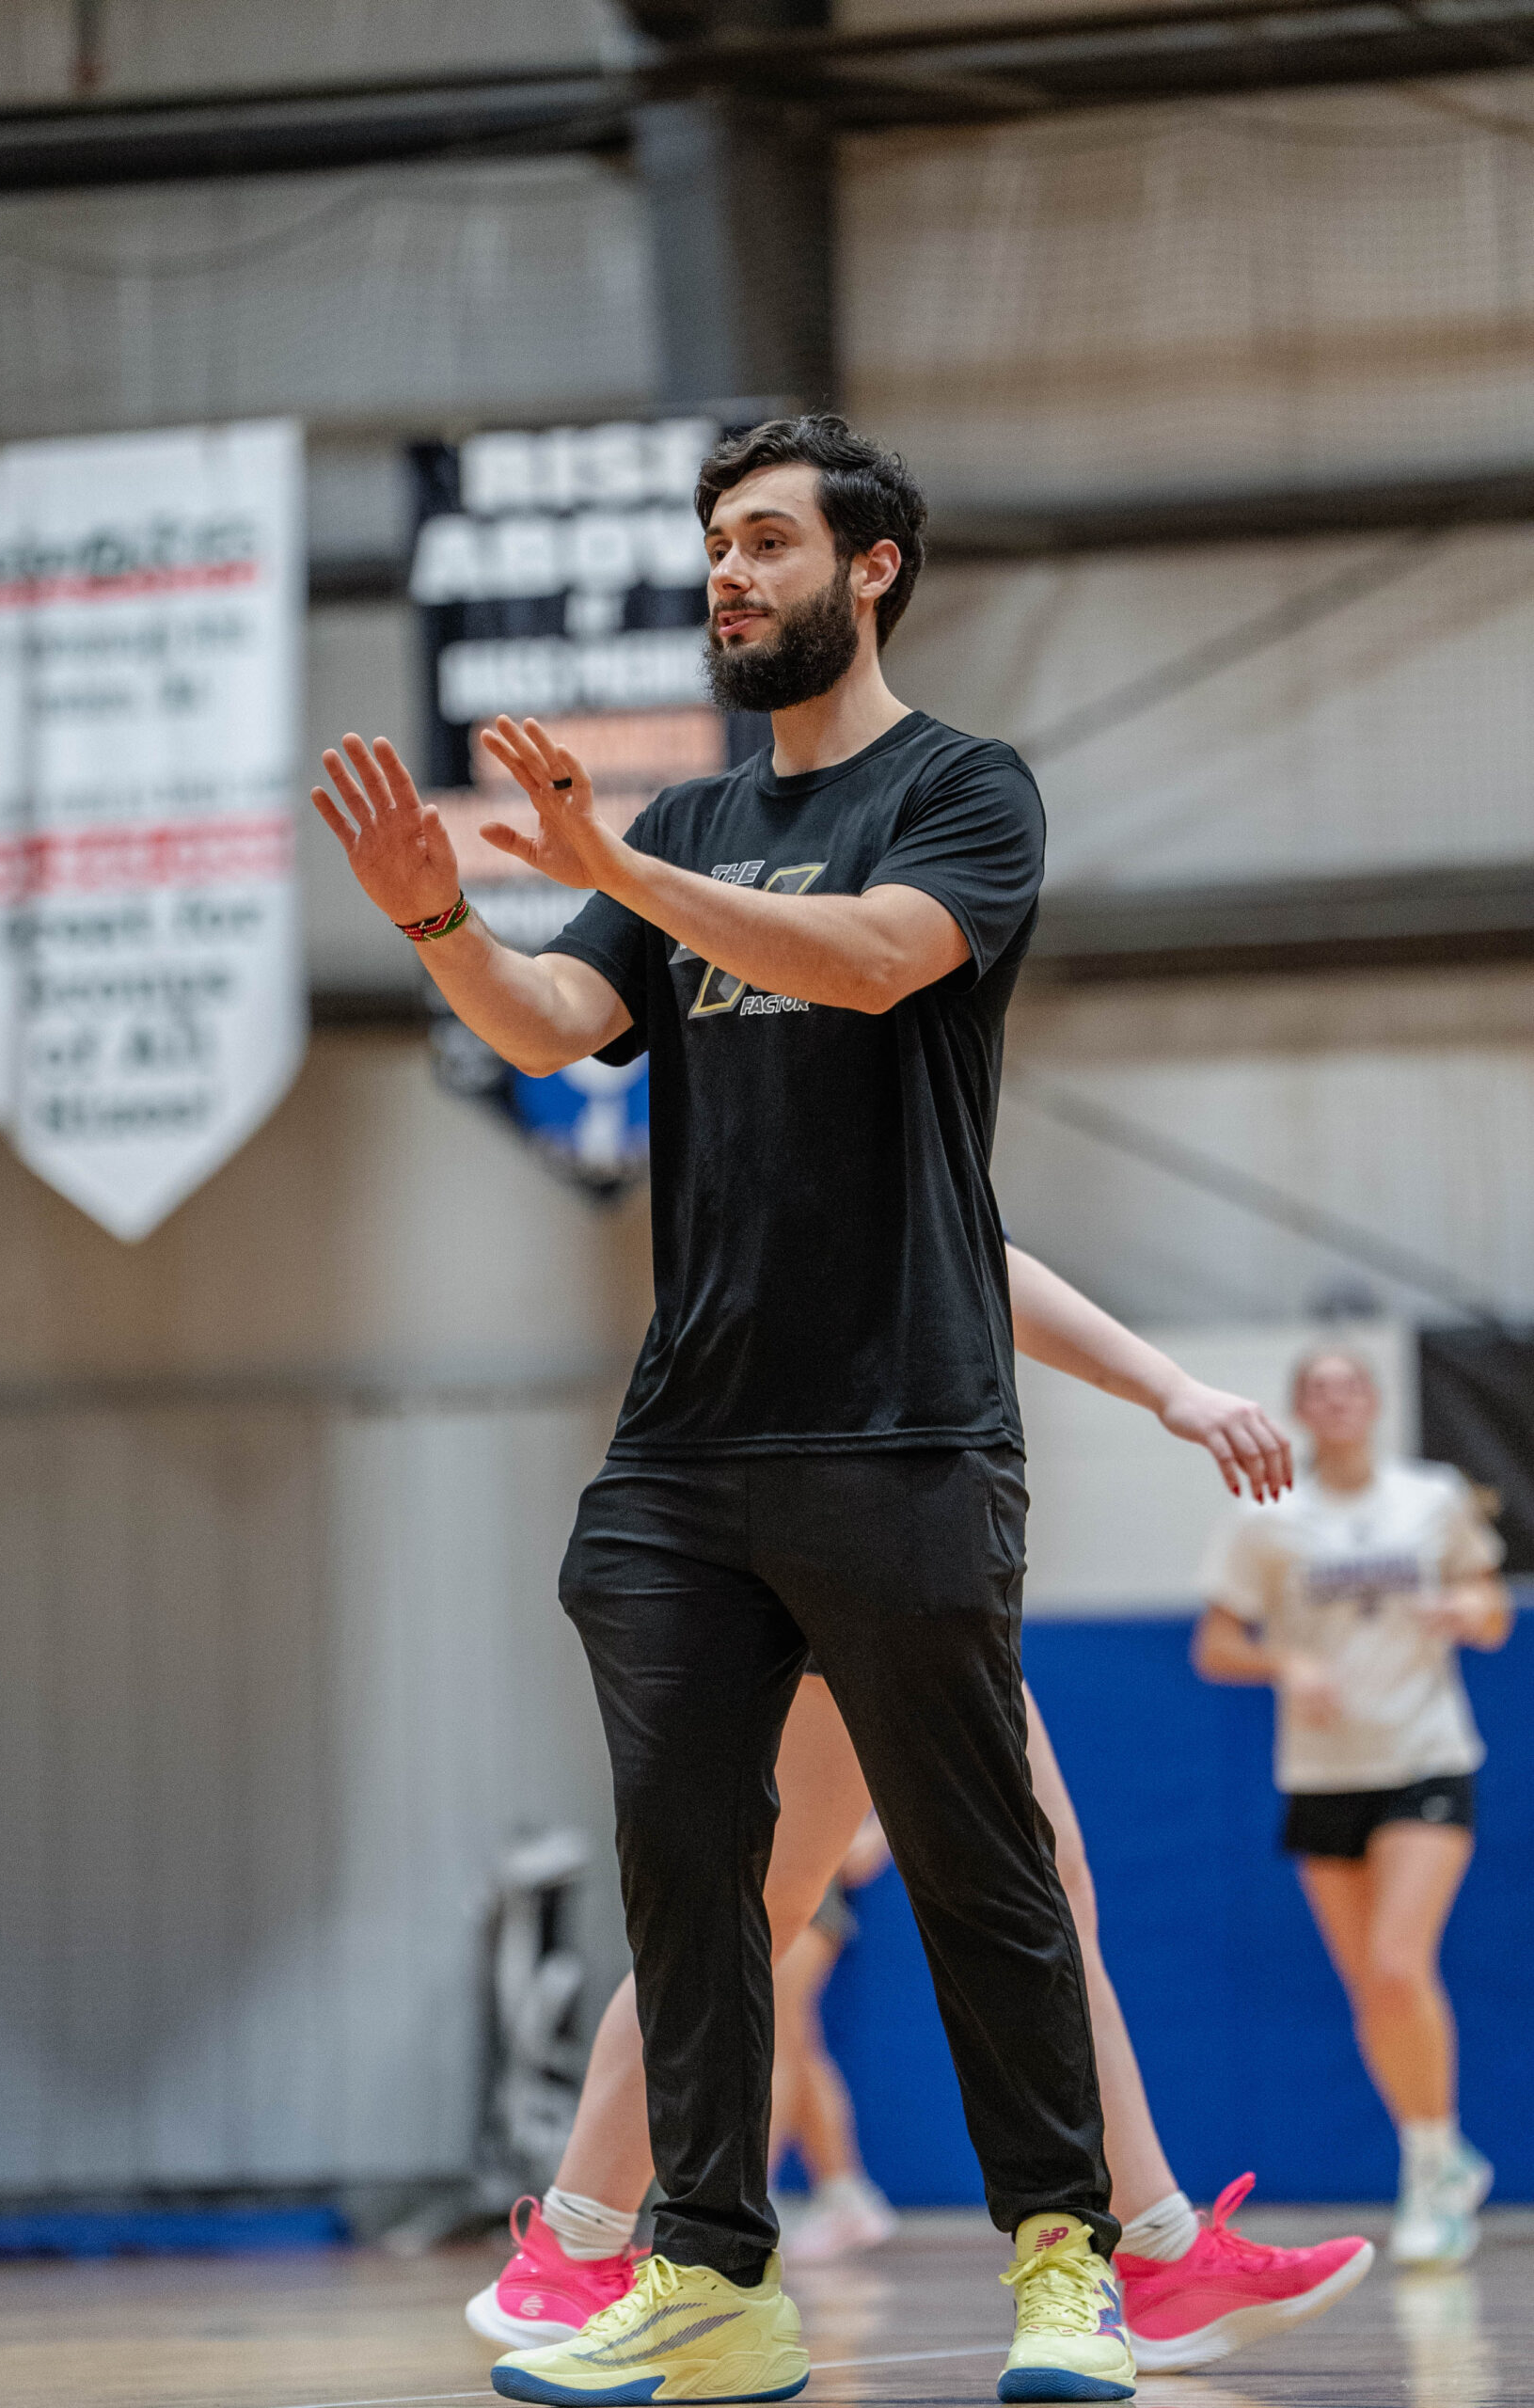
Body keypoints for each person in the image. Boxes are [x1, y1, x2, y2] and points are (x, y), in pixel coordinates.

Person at [316, 411, 1194, 2406]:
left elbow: (878, 965)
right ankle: (709, 2270)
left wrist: (615, 862)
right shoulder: (695, 821)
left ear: (871, 568)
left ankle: (1065, 2264)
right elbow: (560, 1020)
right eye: (717, 543)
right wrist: (439, 921)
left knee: (981, 1871)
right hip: (688, 1447)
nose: (730, 572)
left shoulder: (963, 790)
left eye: (769, 540)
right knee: (687, 1875)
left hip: (905, 1430)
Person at [465, 1249, 1371, 2370]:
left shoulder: (881, 1185)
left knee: (927, 1890)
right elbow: (967, 1249)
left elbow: (968, 1246)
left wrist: (1164, 1386)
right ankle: (575, 2244)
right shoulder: (818, 1182)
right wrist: (1165, 1387)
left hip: (870, 1515)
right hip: (851, 1515)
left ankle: (1153, 2248)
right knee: (817, 1899)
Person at [1194, 1348, 1511, 2268]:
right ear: (1300, 1407)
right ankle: (1442, 2151)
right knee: (1371, 1987)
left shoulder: (1431, 1495)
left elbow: (1491, 1607)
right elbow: (1215, 1644)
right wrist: (1285, 1662)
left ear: (1374, 1402)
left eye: (1351, 1386)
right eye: (1319, 1389)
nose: (1337, 1400)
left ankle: (1428, 2169)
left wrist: (1468, 1607)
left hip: (1426, 1755)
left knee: (1398, 1963)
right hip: (1323, 1771)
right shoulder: (1268, 1515)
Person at [769, 1812, 897, 2266]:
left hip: (798, 1888)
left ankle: (746, 2203)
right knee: (794, 2044)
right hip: (765, 1878)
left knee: (773, 2044)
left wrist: (876, 1834)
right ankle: (845, 2195)